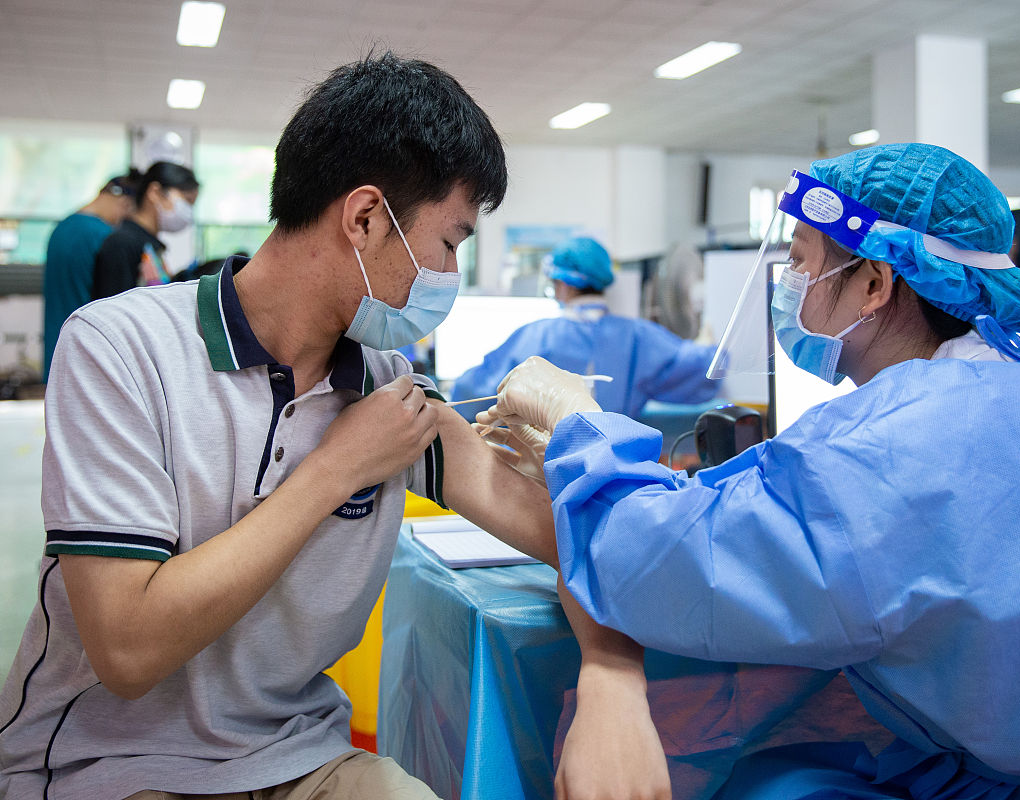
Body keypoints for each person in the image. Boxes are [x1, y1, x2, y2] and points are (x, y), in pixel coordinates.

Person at [0, 53, 663, 800]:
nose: (449, 275)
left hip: (297, 757)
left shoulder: (389, 390)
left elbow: (586, 540)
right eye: (450, 244)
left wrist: (612, 677)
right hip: (107, 765)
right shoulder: (121, 348)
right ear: (366, 217)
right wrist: (335, 470)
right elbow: (127, 651)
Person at [483, 143, 1020, 798]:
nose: (790, 283)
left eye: (801, 261)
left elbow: (671, 569)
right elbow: (776, 513)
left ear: (875, 284)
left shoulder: (898, 444)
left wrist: (579, 425)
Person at [449, 236, 720, 419]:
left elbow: (473, 393)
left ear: (563, 285)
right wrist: (708, 343)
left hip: (540, 472)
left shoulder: (538, 336)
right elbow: (701, 368)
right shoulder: (637, 336)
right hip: (611, 469)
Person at [41, 171, 138, 380]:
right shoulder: (105, 237)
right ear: (124, 203)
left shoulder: (62, 227)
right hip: (86, 352)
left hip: (56, 349)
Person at [91, 160, 200, 301]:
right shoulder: (122, 243)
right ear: (155, 192)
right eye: (187, 200)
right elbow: (113, 305)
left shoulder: (149, 245)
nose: (188, 211)